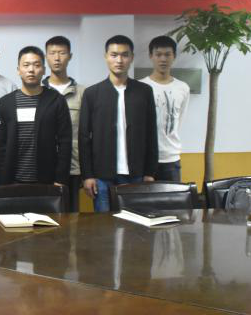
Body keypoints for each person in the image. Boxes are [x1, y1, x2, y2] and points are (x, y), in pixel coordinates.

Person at [79, 35, 158, 212]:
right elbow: (84, 138)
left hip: (136, 174)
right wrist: (87, 175)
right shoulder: (92, 93)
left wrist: (150, 172)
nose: (119, 60)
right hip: (102, 176)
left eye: (124, 55)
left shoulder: (144, 91)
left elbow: (151, 133)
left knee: (135, 224)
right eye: (114, 55)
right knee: (104, 225)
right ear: (106, 57)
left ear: (132, 57)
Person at [0, 46, 71, 187]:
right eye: (26, 65)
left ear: (44, 70)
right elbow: (1, 146)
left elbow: (65, 142)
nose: (31, 70)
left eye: (36, 65)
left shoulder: (56, 100)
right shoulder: (5, 103)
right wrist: (1, 179)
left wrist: (60, 178)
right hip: (12, 181)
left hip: (47, 181)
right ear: (18, 70)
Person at [43, 35, 86, 211]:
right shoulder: (37, 91)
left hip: (73, 167)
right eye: (52, 53)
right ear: (46, 56)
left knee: (72, 218)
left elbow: (87, 134)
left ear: (70, 56)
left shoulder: (83, 93)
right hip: (43, 166)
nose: (57, 58)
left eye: (62, 53)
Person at [139, 36, 190, 182]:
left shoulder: (183, 88)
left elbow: (179, 120)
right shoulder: (140, 87)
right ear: (151, 56)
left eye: (167, 54)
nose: (163, 59)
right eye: (158, 54)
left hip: (171, 159)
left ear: (174, 56)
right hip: (144, 159)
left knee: (173, 197)